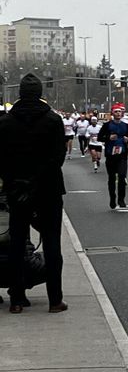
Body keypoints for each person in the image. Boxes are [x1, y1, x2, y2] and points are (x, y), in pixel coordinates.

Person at [0, 73, 68, 313]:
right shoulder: (53, 120)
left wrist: (16, 182)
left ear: (19, 93)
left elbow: (2, 159)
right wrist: (36, 180)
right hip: (47, 189)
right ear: (40, 94)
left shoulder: (6, 122)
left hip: (17, 191)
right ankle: (55, 299)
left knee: (17, 244)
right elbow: (58, 157)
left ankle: (17, 299)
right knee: (51, 245)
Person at [98, 104, 128, 209]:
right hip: (111, 155)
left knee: (122, 177)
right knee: (112, 178)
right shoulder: (107, 125)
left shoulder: (126, 125)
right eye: (116, 112)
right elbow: (100, 138)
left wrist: (126, 139)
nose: (118, 113)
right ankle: (112, 198)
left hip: (122, 155)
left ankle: (121, 199)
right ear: (112, 113)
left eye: (119, 112)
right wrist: (108, 137)